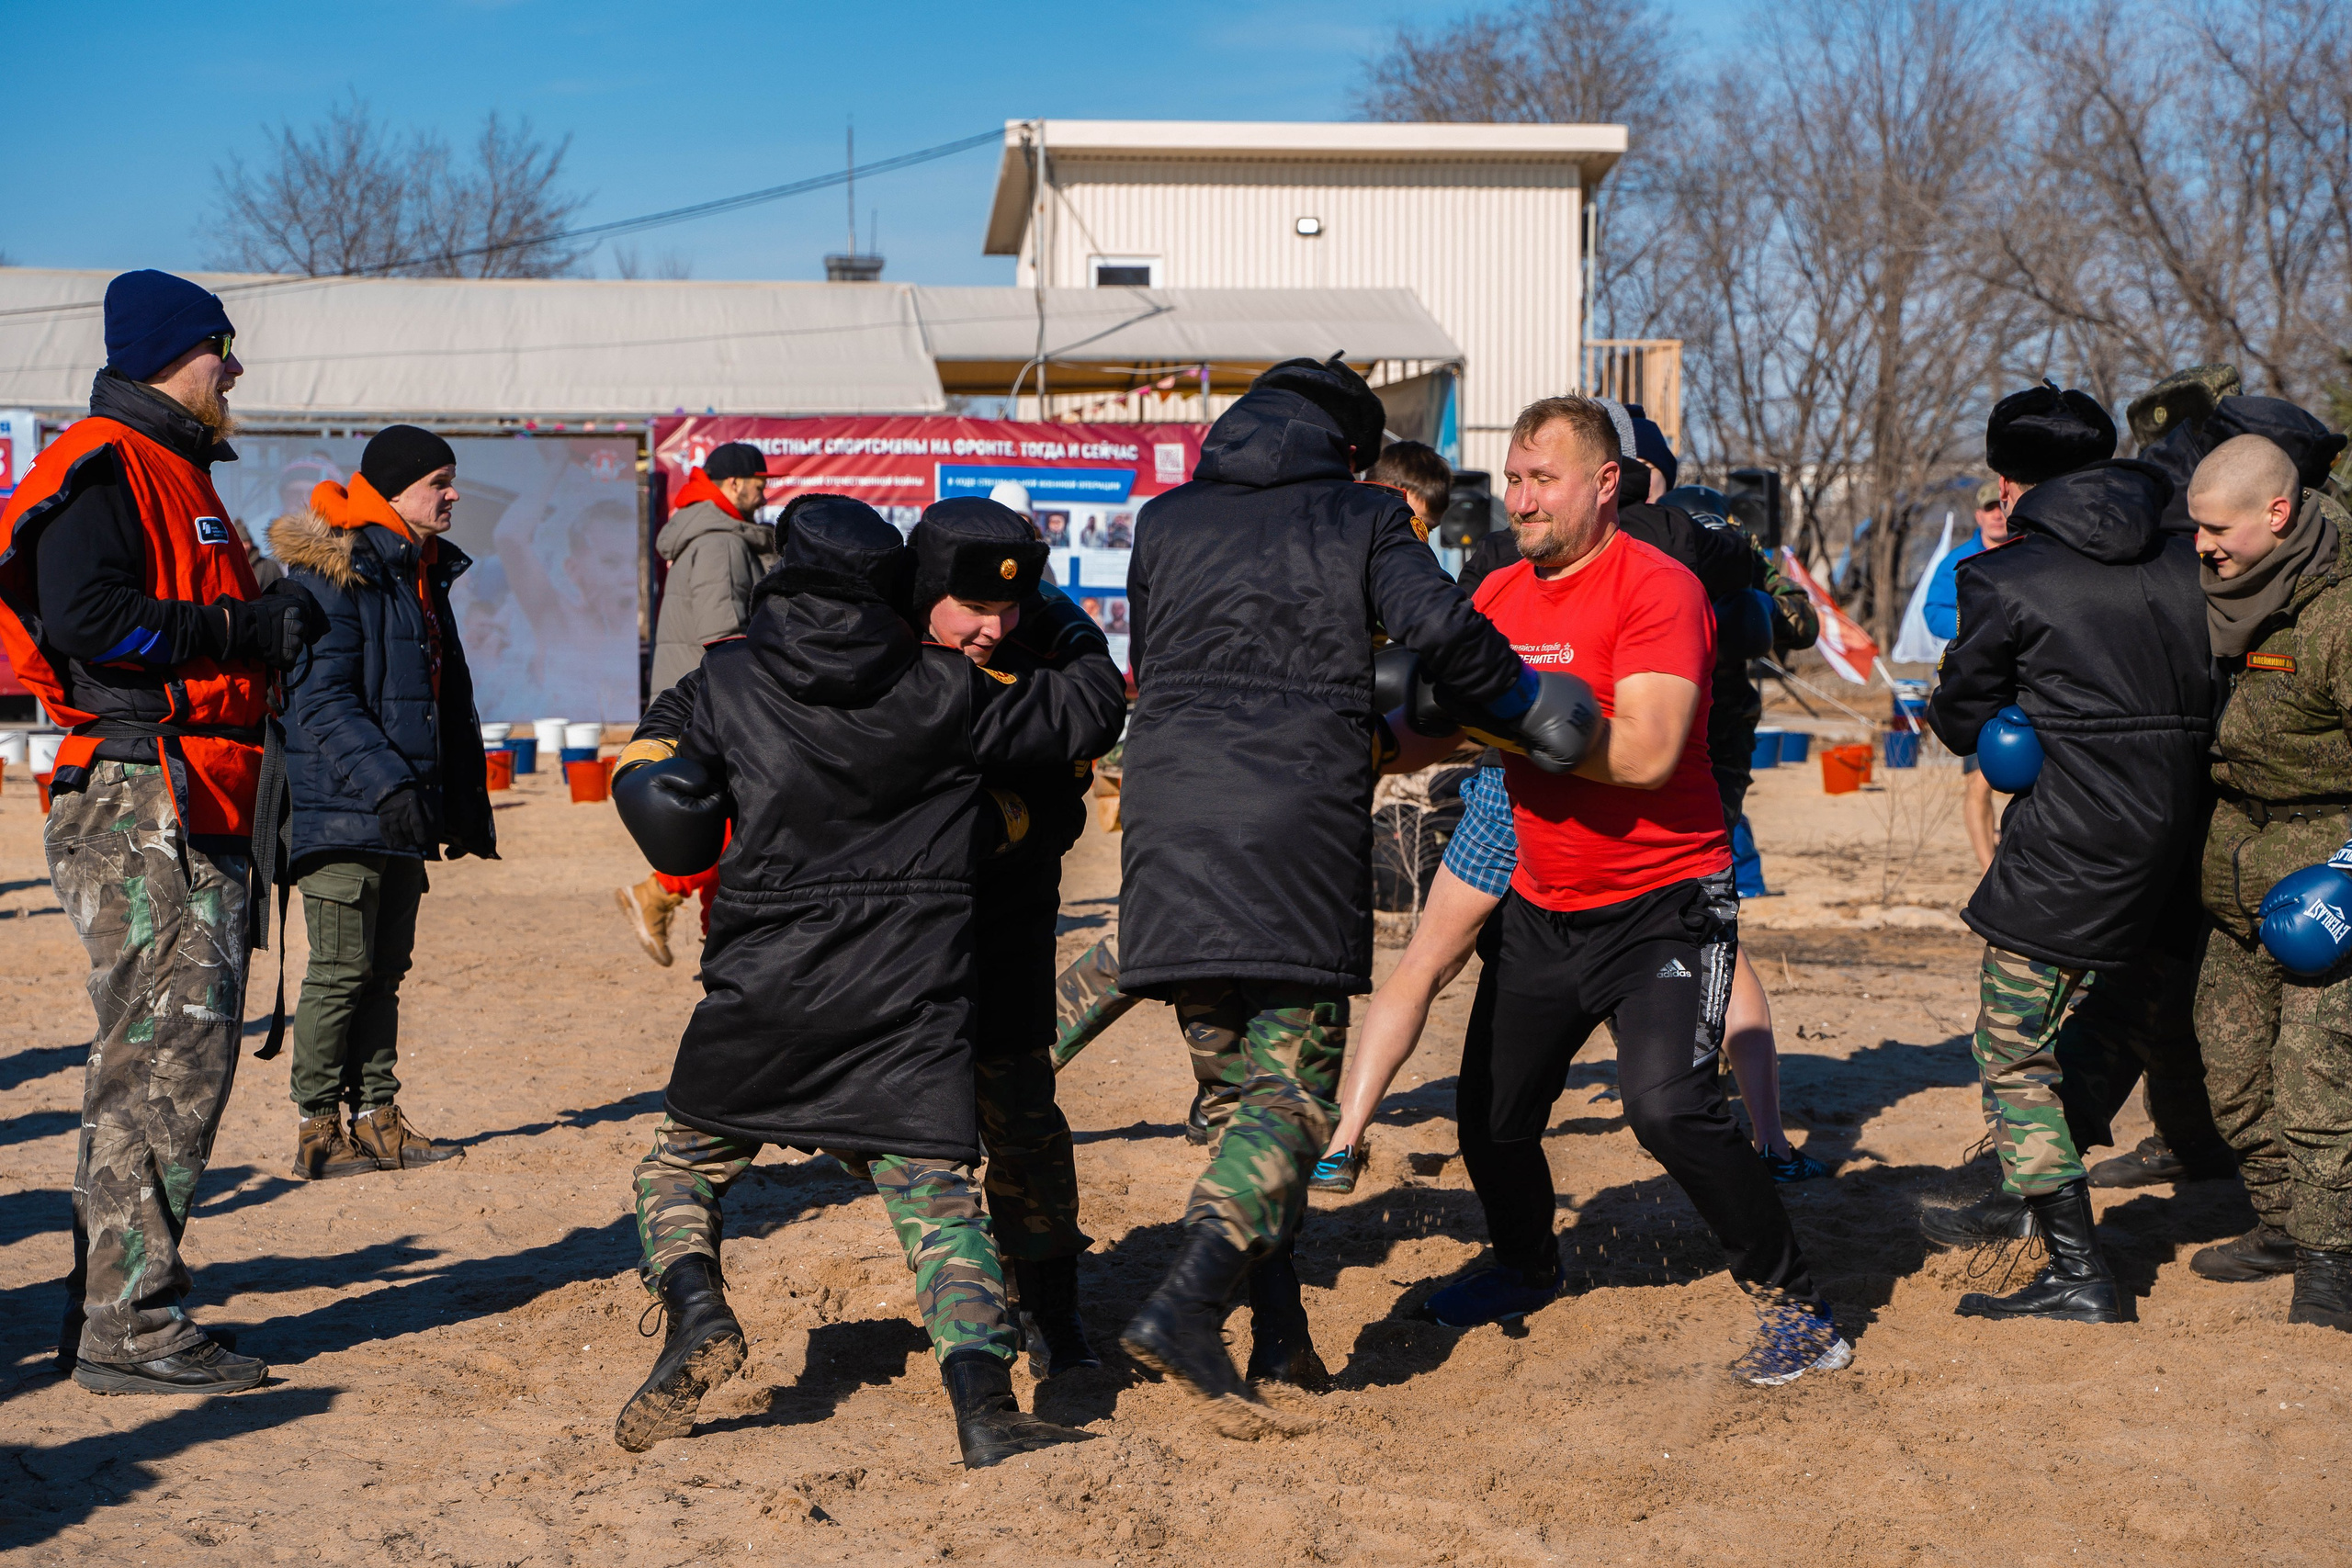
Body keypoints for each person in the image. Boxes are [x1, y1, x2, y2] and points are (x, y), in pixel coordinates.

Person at [608, 496, 1124, 1466]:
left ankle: (694, 1307)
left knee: (680, 1167)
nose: (995, 627)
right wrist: (1072, 630)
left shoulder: (729, 679)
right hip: (911, 988)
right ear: (903, 589)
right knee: (935, 1200)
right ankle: (981, 1402)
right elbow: (1084, 711)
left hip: (770, 981)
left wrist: (664, 755)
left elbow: (669, 767)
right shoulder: (942, 691)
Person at [1112, 355, 1562, 1421]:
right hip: (1288, 833)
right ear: (1351, 450)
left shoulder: (1165, 519)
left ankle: (1281, 1339)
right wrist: (1524, 705)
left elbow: (1160, 661)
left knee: (1240, 1102)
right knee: (1298, 1101)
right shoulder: (1361, 519)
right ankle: (1187, 1301)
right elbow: (1443, 632)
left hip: (1165, 825)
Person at [1377, 396, 1849, 1386]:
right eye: (1510, 479)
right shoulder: (1499, 594)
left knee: (1668, 1107)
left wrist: (1517, 726)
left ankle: (1797, 1303)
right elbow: (1442, 733)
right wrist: (1359, 736)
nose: (1518, 499)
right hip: (1544, 901)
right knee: (1491, 1116)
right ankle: (1524, 1263)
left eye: (1540, 479)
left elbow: (1641, 757)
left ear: (1604, 484)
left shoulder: (1659, 587)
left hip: (1664, 898)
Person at [0, 269, 324, 1393]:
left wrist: (268, 618)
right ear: (163, 356)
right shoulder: (101, 459)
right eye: (217, 348)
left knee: (159, 1065)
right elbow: (87, 620)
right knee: (161, 1067)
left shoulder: (171, 466)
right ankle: (127, 1328)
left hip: (184, 793)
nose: (233, 367)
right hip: (145, 797)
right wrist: (243, 627)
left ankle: (115, 1310)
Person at [1921, 383, 2213, 1324]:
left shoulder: (2005, 576)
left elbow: (1962, 720)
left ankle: (2079, 1274)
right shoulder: (2186, 553)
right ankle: (2018, 1190)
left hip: (2074, 849)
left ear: (2008, 481)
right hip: (2190, 842)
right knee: (2117, 1015)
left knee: (2012, 1049)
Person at [910, 498, 1114, 1378]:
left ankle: (1056, 1313)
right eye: (972, 608)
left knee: (1025, 1122)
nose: (992, 628)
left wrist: (1007, 818)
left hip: (1008, 925)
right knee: (912, 1136)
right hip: (898, 943)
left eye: (1009, 608)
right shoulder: (874, 654)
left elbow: (1069, 784)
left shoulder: (1038, 655)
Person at [269, 424, 496, 1179]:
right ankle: (316, 1129)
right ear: (395, 491)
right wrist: (389, 784)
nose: (454, 493)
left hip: (397, 810)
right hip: (344, 807)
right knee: (338, 971)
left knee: (384, 972)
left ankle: (377, 1117)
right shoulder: (340, 573)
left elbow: (434, 699)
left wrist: (442, 799)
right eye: (440, 480)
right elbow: (321, 703)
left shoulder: (414, 573)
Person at [2184, 434, 2352, 1326]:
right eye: (2195, 530)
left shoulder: (2339, 613)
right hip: (2238, 873)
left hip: (2328, 879)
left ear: (2277, 515)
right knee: (2229, 1064)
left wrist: (2348, 875)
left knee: (2314, 1076)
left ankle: (2332, 1264)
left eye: (2215, 529)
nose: (2202, 545)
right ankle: (2282, 1223)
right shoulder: (2225, 598)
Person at [620, 442, 777, 967]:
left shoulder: (717, 532)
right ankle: (695, 923)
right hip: (714, 705)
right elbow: (725, 638)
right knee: (730, 829)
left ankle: (686, 916)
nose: (765, 488)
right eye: (759, 479)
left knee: (727, 825)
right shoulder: (719, 542)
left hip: (703, 702)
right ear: (732, 485)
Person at [1924, 479, 2013, 871]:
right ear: (1978, 515)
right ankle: (1987, 870)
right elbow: (1933, 612)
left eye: (2001, 506)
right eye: (1988, 508)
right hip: (1979, 683)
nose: (1996, 513)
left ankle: (2016, 859)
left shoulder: (2030, 550)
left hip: (2027, 680)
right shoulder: (1959, 561)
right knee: (1980, 780)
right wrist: (1975, 622)